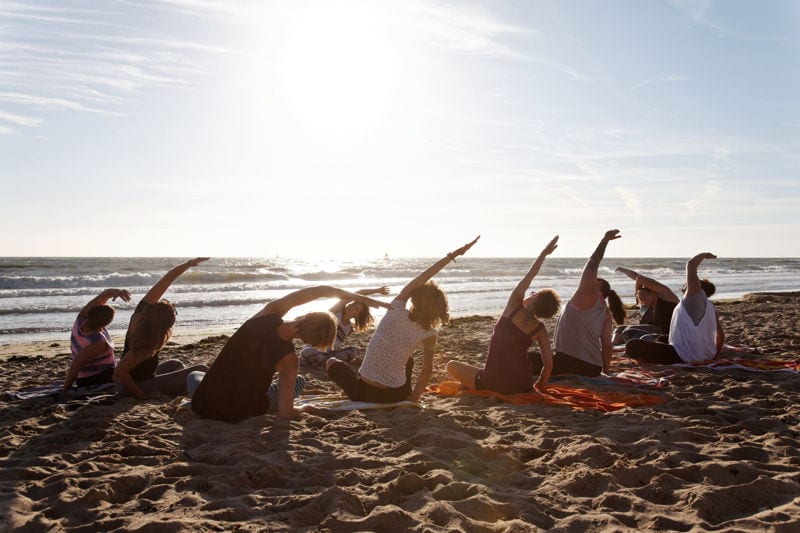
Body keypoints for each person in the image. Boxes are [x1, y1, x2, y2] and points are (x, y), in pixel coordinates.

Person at [188, 286, 391, 423]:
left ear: (309, 314)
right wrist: (305, 408)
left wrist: (365, 298)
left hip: (204, 403)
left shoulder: (269, 313)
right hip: (241, 413)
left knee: (195, 375)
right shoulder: (289, 360)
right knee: (299, 382)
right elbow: (286, 413)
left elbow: (320, 290)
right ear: (310, 342)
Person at [327, 237, 480, 404]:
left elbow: (422, 277)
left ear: (414, 299)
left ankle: (352, 389)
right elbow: (427, 370)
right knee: (409, 359)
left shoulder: (395, 308)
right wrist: (414, 399)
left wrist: (453, 255)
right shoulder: (429, 333)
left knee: (332, 362)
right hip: (396, 395)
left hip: (365, 393)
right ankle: (402, 391)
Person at [446, 236, 560, 393]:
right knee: (481, 369)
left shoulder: (513, 305)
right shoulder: (540, 329)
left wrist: (543, 254)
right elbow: (548, 365)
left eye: (534, 293)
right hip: (522, 385)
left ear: (534, 298)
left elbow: (529, 276)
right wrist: (539, 385)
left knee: (451, 365)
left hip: (492, 382)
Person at [113, 258, 210, 400]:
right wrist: (143, 395)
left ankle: (180, 389)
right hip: (136, 387)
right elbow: (120, 371)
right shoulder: (147, 341)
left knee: (175, 364)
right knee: (201, 369)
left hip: (138, 380)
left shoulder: (138, 317)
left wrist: (187, 265)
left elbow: (165, 282)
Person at [626, 253, 725, 364]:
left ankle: (646, 362)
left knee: (632, 345)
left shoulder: (692, 298)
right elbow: (720, 334)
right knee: (663, 338)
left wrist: (703, 255)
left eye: (687, 284)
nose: (684, 284)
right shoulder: (710, 307)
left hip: (684, 356)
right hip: (704, 354)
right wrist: (715, 354)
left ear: (695, 288)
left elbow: (691, 265)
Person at [551, 230, 626, 376]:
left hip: (568, 362)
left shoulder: (587, 295)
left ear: (596, 285)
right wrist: (605, 369)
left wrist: (604, 240)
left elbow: (593, 262)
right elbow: (607, 346)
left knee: (522, 358)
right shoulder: (605, 313)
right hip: (592, 368)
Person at [299, 286, 390, 368]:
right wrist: (377, 290)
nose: (352, 307)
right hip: (315, 349)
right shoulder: (335, 312)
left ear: (357, 315)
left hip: (330, 354)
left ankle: (327, 362)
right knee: (306, 351)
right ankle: (333, 363)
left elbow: (337, 345)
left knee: (354, 351)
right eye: (354, 304)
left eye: (356, 309)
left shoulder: (349, 328)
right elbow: (356, 293)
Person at [63, 288, 131, 394]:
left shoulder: (80, 320)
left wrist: (117, 292)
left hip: (102, 371)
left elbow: (102, 297)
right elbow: (75, 366)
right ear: (105, 324)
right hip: (94, 378)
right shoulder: (97, 342)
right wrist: (65, 391)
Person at [613, 266, 679, 343]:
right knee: (619, 329)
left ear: (654, 292)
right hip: (655, 329)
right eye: (640, 298)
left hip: (667, 331)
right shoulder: (650, 305)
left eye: (644, 295)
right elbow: (636, 277)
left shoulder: (666, 295)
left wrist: (636, 292)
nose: (643, 299)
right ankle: (613, 346)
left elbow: (640, 278)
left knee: (629, 330)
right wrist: (624, 270)